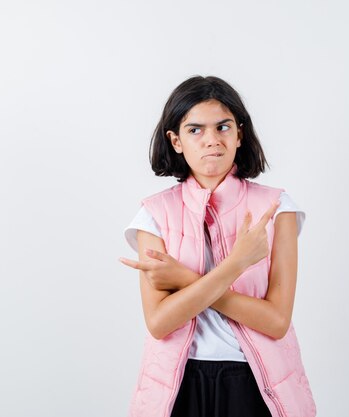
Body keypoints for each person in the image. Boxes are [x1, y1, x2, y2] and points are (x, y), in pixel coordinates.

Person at [119, 76, 317, 417]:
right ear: (175, 140)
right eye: (195, 130)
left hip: (254, 383)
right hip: (179, 382)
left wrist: (184, 280)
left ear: (239, 134)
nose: (211, 140)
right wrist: (236, 264)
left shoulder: (277, 208)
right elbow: (160, 323)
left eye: (222, 127)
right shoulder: (153, 213)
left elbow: (275, 321)